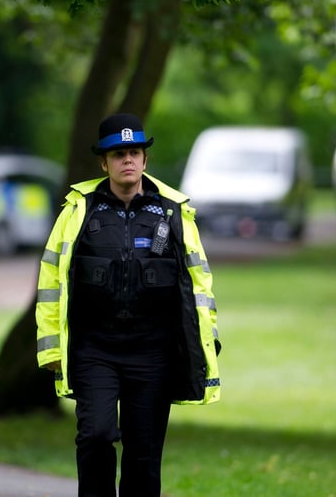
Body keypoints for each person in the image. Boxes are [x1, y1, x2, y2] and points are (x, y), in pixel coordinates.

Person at [35, 113, 221, 496]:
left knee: (143, 455)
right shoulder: (79, 210)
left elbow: (199, 281)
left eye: (134, 152)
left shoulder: (172, 211)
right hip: (94, 348)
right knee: (96, 437)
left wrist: (204, 337)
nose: (128, 161)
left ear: (145, 159)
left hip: (153, 351)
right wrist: (51, 343)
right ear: (103, 163)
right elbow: (52, 279)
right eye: (118, 154)